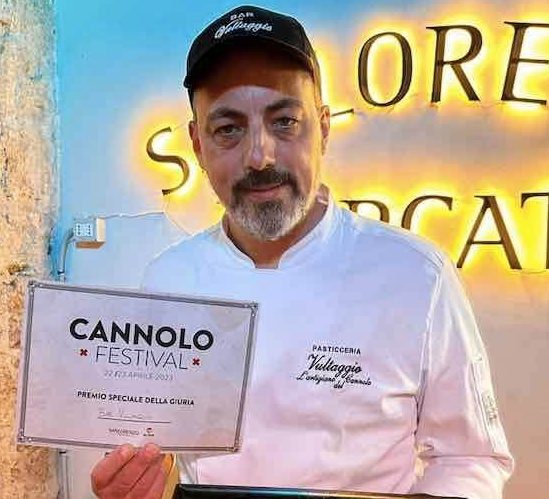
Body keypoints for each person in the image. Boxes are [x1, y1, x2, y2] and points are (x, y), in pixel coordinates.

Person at [91, 5, 513, 499]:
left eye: (285, 121)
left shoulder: (416, 275)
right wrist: (133, 482)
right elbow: (152, 446)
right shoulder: (169, 278)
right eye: (228, 129)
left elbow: (471, 458)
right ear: (198, 146)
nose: (259, 156)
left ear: (324, 128)